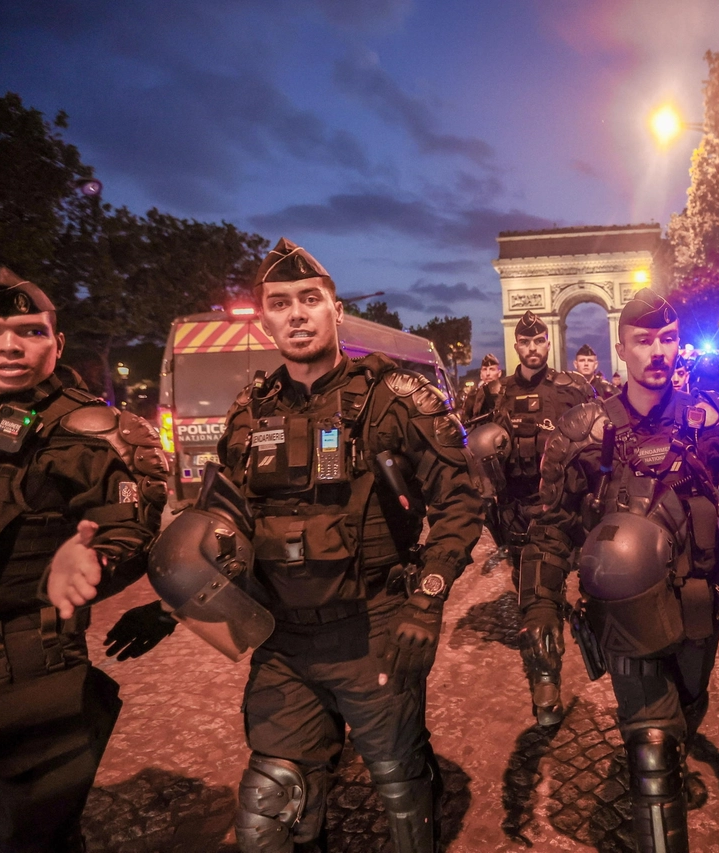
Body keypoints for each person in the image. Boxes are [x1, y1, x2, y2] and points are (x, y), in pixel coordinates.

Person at [147, 239, 481, 852]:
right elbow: (223, 520)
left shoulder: (393, 399)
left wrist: (427, 599)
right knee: (269, 806)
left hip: (374, 629)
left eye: (310, 300)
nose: (296, 314)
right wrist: (176, 598)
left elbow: (462, 500)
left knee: (401, 792)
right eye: (280, 303)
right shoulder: (249, 414)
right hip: (282, 641)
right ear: (265, 318)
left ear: (335, 310)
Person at [518, 288, 719, 851]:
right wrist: (538, 604)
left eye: (667, 339)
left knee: (687, 711)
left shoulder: (711, 421)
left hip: (701, 611)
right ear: (621, 348)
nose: (658, 351)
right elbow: (551, 527)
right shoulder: (583, 434)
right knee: (652, 746)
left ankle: (674, 747)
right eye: (644, 341)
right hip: (626, 617)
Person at [0, 266, 169, 852]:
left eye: (29, 331)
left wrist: (97, 560)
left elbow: (129, 517)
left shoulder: (89, 427)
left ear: (56, 344)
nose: (9, 344)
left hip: (26, 674)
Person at [488, 311, 592, 725]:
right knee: (532, 594)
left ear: (549, 343)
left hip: (563, 508)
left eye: (539, 341)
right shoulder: (493, 392)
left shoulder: (573, 388)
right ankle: (545, 677)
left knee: (586, 586)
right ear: (517, 345)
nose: (532, 348)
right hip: (516, 509)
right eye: (525, 341)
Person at [462, 352, 502, 421]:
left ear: (499, 373)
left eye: (492, 369)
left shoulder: (506, 393)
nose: (488, 373)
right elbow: (465, 420)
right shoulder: (472, 397)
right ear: (481, 374)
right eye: (485, 369)